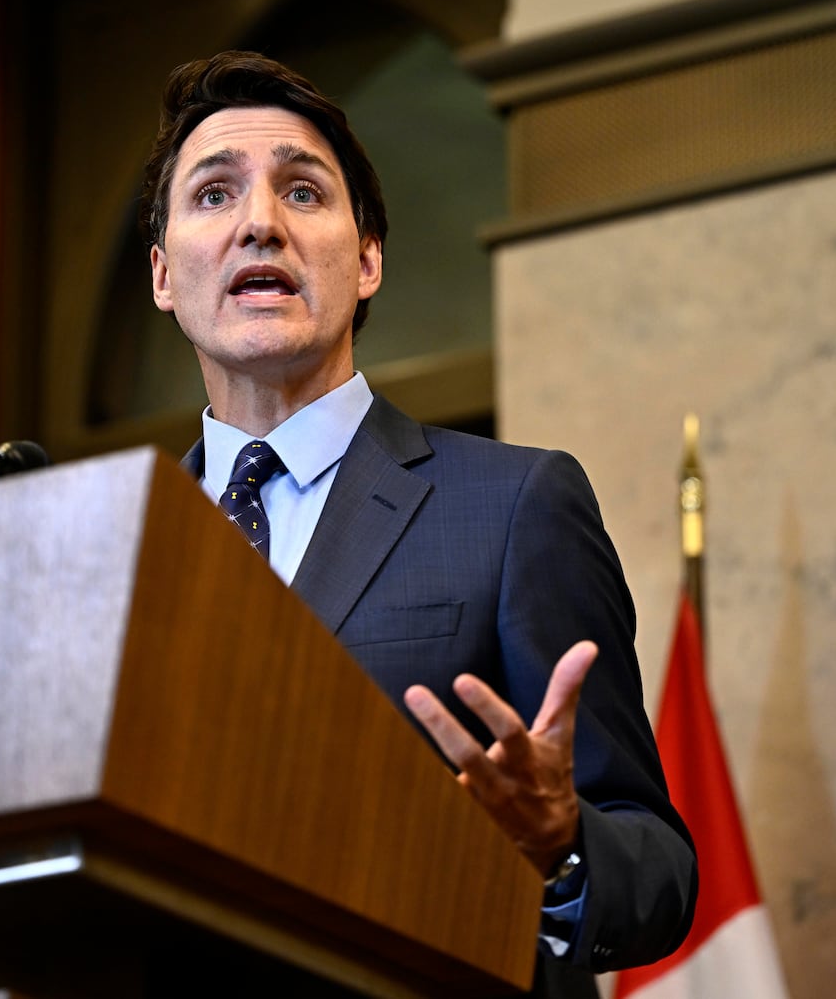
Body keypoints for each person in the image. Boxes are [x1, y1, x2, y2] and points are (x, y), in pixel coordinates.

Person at [140, 50, 696, 998]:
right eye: (214, 195)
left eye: (304, 192)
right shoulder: (125, 553)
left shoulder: (517, 507)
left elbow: (658, 873)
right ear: (163, 275)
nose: (260, 224)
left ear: (367, 262)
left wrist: (562, 840)